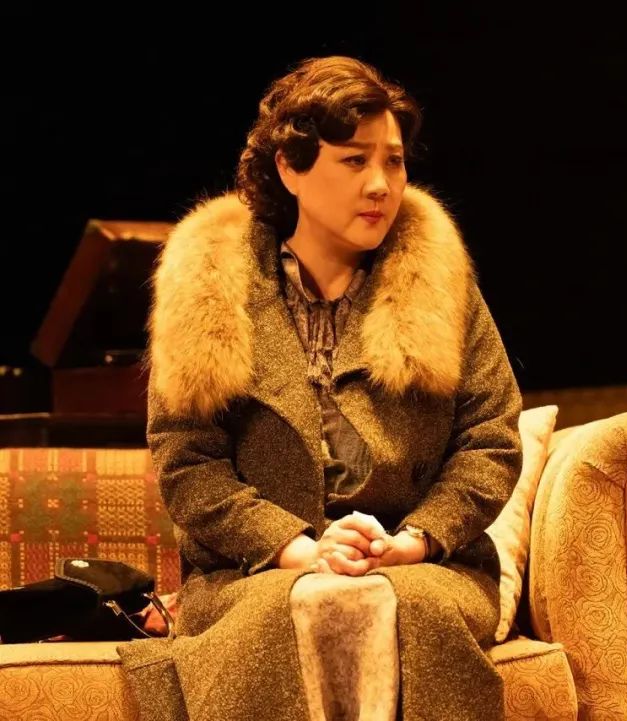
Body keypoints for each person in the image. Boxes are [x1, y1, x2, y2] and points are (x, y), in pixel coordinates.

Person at [116, 55, 524, 721]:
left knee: (404, 607)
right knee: (293, 611)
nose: (380, 184)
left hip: (422, 568)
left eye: (394, 162)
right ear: (290, 167)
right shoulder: (212, 283)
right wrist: (299, 549)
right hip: (254, 574)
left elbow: (491, 438)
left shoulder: (439, 281)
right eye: (354, 160)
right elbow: (188, 463)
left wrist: (415, 540)